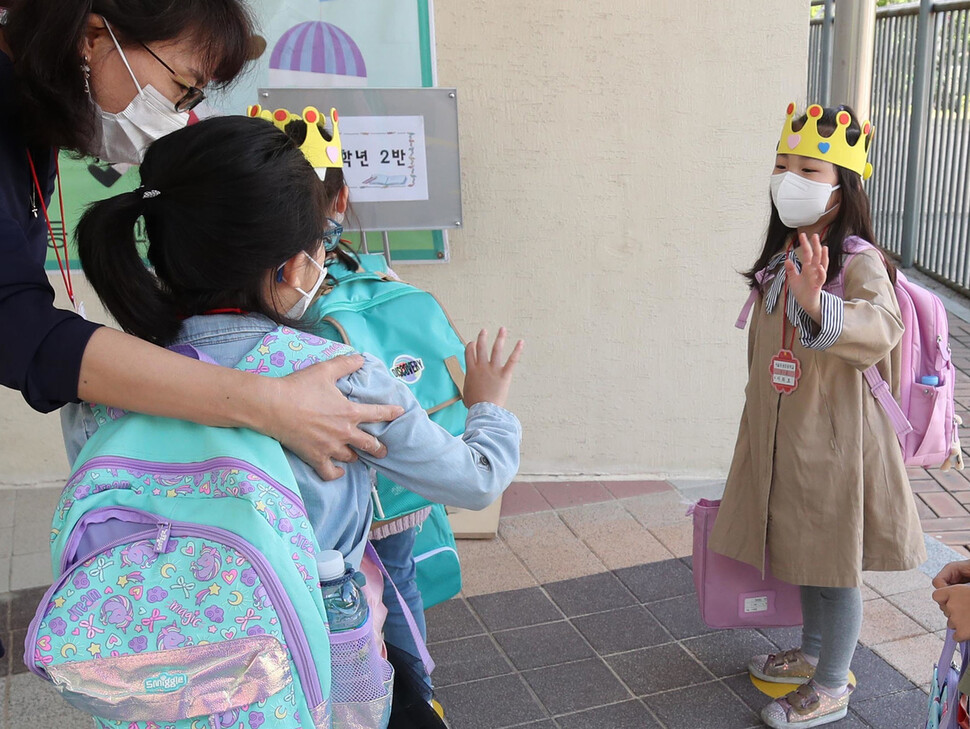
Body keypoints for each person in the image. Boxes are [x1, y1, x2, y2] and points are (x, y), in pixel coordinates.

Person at [61, 114, 523, 723]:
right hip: (310, 666)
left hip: (154, 666)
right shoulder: (341, 377)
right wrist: (487, 405)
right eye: (320, 248)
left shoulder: (104, 383)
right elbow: (475, 478)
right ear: (293, 266)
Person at [0, 0, 401, 483]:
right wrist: (268, 403)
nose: (178, 116)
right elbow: (14, 323)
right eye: (183, 88)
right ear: (92, 37)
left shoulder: (26, 119)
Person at [709, 103, 926, 728]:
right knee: (804, 547)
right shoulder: (788, 255)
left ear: (843, 187)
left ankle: (833, 684)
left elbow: (880, 327)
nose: (789, 179)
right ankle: (811, 653)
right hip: (788, 434)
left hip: (836, 441)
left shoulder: (857, 260)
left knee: (835, 562)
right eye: (782, 165)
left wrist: (818, 304)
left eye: (809, 169)